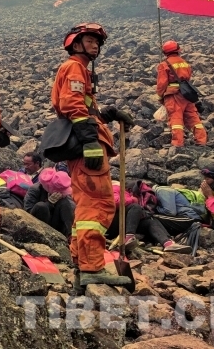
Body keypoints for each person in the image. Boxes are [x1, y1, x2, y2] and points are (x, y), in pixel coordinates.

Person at [53, 23, 135, 286]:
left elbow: (84, 108)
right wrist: (90, 141)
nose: (95, 45)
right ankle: (91, 268)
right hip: (86, 144)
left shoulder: (80, 70)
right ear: (76, 44)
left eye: (97, 42)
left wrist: (107, 114)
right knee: (98, 202)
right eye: (90, 40)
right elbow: (73, 105)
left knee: (86, 203)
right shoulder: (75, 67)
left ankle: (81, 261)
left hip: (81, 143)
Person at [108, 180, 191, 254]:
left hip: (123, 223)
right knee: (135, 207)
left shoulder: (128, 193)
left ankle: (168, 243)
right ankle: (129, 238)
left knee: (150, 221)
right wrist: (133, 200)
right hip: (110, 223)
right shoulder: (115, 187)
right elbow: (115, 202)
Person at [156, 40, 207, 148]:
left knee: (176, 119)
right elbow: (188, 77)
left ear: (165, 52)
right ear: (178, 50)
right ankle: (201, 140)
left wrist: (160, 96)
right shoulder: (184, 63)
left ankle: (178, 143)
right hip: (187, 94)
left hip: (173, 95)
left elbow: (162, 83)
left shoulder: (164, 65)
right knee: (193, 117)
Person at [24, 167, 76, 239]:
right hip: (38, 225)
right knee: (41, 206)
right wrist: (49, 203)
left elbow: (71, 207)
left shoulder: (61, 192)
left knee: (65, 203)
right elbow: (27, 212)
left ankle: (71, 236)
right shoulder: (35, 189)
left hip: (56, 226)